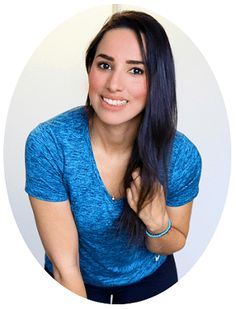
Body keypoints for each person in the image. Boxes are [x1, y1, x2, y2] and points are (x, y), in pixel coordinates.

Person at [25, 10, 202, 304]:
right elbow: (65, 267)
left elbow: (175, 241)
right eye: (105, 65)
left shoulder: (181, 155)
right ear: (90, 69)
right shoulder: (49, 144)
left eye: (136, 70)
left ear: (158, 81)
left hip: (150, 280)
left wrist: (157, 223)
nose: (114, 85)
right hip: (76, 280)